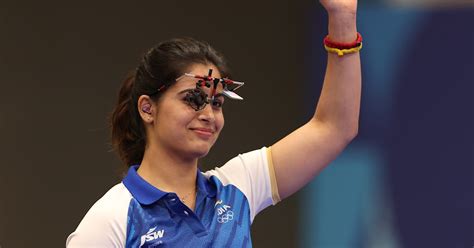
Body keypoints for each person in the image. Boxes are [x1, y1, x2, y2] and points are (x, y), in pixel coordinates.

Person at [66, 0, 361, 247]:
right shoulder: (112, 218)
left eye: (217, 102)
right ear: (147, 108)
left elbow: (334, 127)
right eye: (192, 99)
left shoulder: (237, 187)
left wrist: (343, 19)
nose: (208, 113)